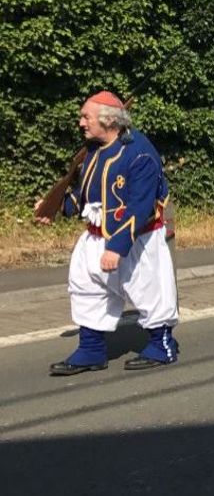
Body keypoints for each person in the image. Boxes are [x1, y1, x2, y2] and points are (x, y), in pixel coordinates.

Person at [37, 91, 180, 375]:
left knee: (149, 290)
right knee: (86, 288)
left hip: (138, 239)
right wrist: (55, 207)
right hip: (95, 236)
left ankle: (162, 345)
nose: (80, 123)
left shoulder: (140, 152)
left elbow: (140, 207)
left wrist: (117, 247)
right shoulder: (93, 150)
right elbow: (86, 195)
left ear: (108, 121)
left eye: (85, 117)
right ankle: (91, 350)